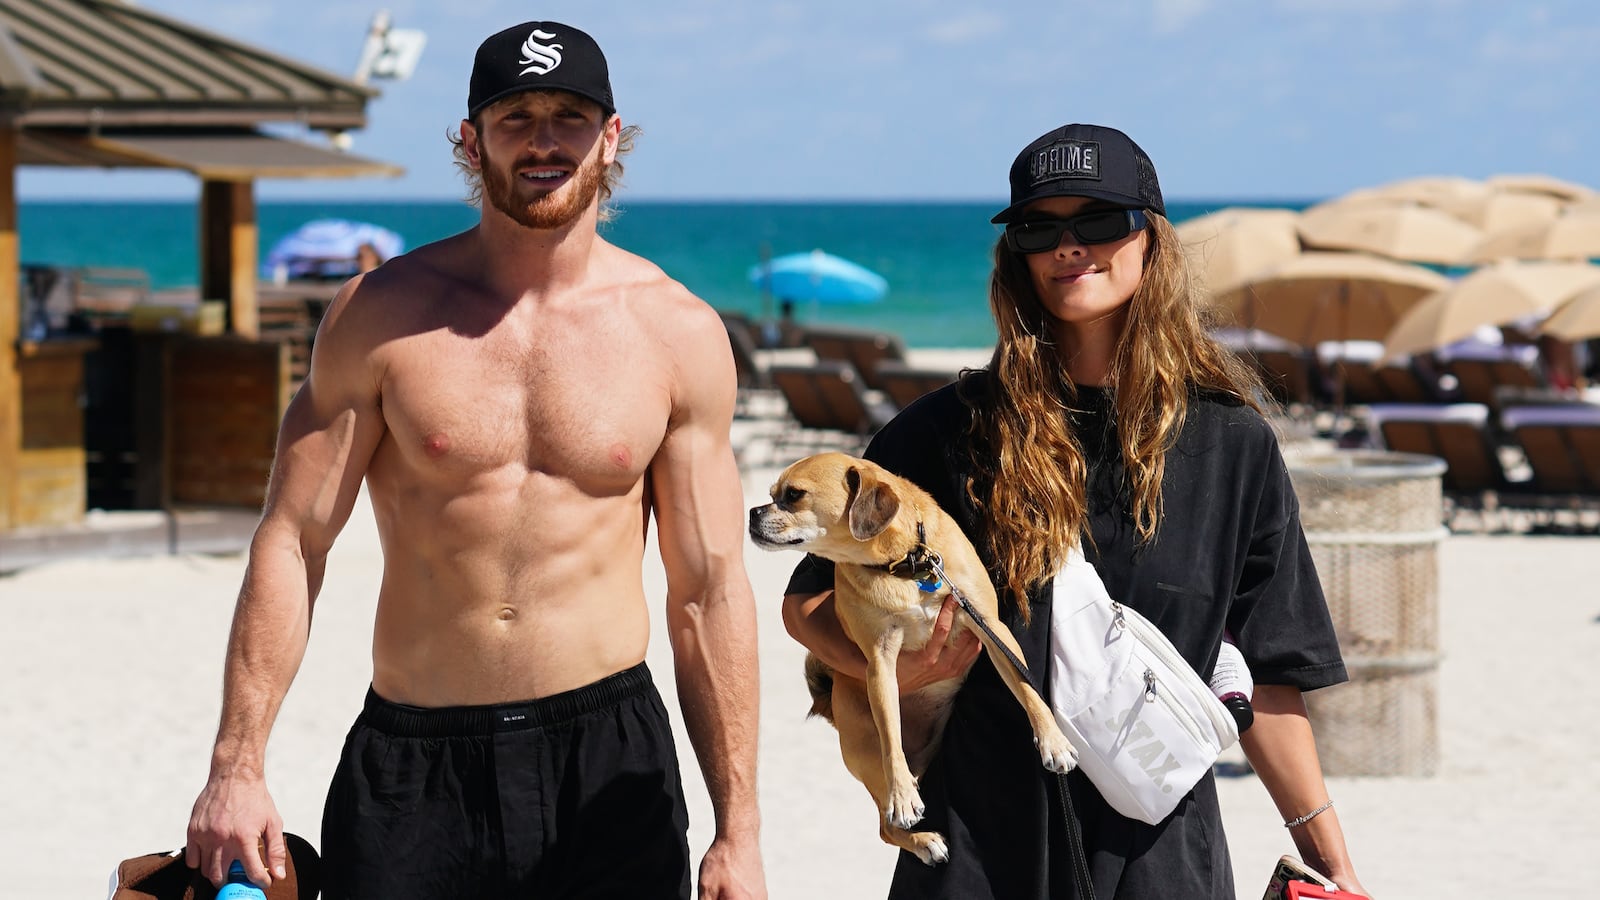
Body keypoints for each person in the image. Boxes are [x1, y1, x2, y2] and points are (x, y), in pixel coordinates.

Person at [186, 20, 766, 900]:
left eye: (570, 116)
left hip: (608, 762)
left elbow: (708, 590)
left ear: (611, 136)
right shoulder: (380, 315)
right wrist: (237, 765)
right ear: (470, 140)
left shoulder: (676, 332)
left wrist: (739, 830)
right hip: (416, 768)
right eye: (515, 117)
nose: (544, 140)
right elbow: (294, 541)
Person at [782, 123, 1370, 898]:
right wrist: (899, 667)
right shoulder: (944, 433)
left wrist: (1332, 860)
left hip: (1157, 841)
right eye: (1040, 229)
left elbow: (1270, 675)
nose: (1069, 246)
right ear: (1017, 257)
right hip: (980, 844)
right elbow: (808, 601)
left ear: (1151, 240)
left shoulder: (1230, 445)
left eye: (1098, 221)